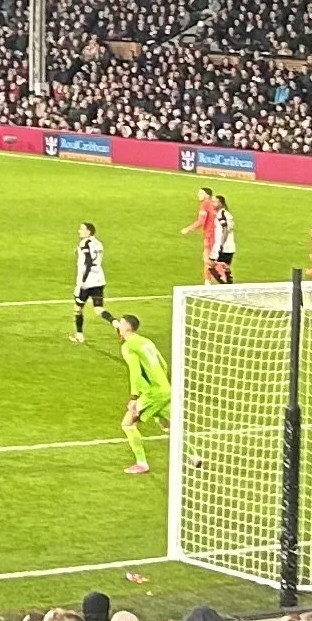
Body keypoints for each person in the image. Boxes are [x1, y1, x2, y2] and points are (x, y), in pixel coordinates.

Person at [112, 311, 171, 474]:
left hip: (151, 393)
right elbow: (163, 364)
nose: (119, 326)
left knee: (128, 424)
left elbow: (135, 371)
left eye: (121, 323)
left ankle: (142, 463)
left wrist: (134, 397)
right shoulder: (146, 341)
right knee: (170, 425)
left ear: (127, 327)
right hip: (165, 388)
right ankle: (195, 457)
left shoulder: (128, 346)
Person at [72, 221, 106, 342]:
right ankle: (115, 323)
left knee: (78, 308)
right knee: (98, 308)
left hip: (87, 282)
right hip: (99, 280)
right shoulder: (99, 244)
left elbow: (88, 263)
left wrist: (83, 282)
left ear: (88, 231)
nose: (79, 231)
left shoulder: (84, 244)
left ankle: (79, 335)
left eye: (82, 229)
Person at [181, 186, 219, 282]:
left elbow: (201, 221)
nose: (199, 195)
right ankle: (212, 282)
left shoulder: (205, 205)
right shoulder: (215, 204)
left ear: (207, 195)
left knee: (208, 259)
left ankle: (210, 283)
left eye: (201, 193)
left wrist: (188, 229)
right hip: (219, 236)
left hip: (210, 236)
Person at [211, 194, 237, 284]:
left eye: (215, 202)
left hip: (225, 247)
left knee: (215, 266)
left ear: (220, 204)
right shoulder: (222, 214)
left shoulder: (222, 215)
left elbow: (225, 229)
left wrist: (221, 245)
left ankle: (226, 286)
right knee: (220, 267)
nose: (212, 204)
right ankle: (227, 286)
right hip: (226, 246)